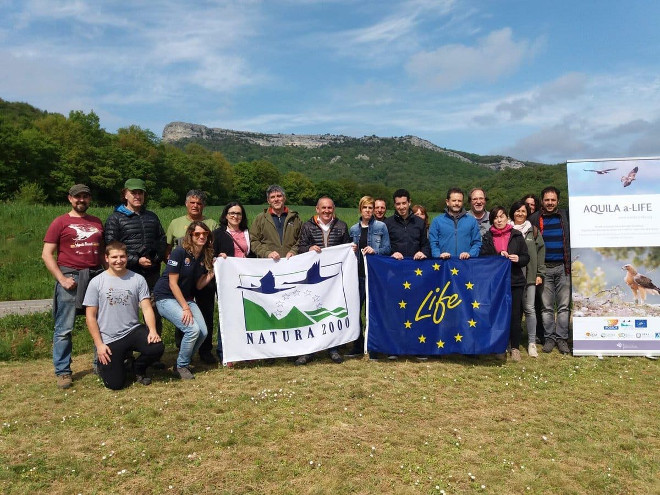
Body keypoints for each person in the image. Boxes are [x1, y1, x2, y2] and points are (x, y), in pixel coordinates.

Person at [42, 184, 104, 389]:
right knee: (64, 329)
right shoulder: (60, 222)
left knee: (100, 324)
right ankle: (63, 371)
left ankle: (100, 364)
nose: (82, 200)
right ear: (70, 198)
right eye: (78, 197)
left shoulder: (96, 222)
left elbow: (103, 252)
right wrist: (61, 278)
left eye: (86, 197)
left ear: (90, 199)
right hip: (71, 276)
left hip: (95, 276)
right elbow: (46, 254)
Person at [84, 242, 164, 390]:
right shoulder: (96, 282)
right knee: (115, 385)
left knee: (156, 347)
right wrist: (99, 345)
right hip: (110, 337)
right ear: (106, 258)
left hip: (132, 330)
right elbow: (90, 316)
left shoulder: (138, 279)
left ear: (127, 257)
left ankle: (138, 368)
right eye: (114, 257)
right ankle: (120, 363)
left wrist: (152, 330)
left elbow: (146, 308)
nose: (119, 260)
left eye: (122, 256)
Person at [104, 179, 167, 340]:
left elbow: (162, 239)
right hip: (127, 273)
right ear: (125, 194)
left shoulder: (152, 217)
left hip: (151, 273)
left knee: (154, 312)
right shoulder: (115, 219)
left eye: (141, 193)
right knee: (126, 314)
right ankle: (126, 356)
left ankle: (153, 353)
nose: (137, 196)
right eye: (134, 192)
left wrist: (155, 258)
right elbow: (111, 246)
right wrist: (135, 260)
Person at [154, 221, 215, 380]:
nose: (201, 236)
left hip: (186, 298)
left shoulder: (204, 255)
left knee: (203, 332)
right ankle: (181, 366)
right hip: (166, 296)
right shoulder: (179, 252)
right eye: (197, 234)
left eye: (205, 234)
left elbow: (199, 285)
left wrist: (213, 271)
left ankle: (183, 361)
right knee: (192, 330)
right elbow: (172, 283)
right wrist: (185, 308)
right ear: (191, 235)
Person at [294, 197, 352, 365]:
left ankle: (333, 348)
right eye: (323, 208)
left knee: (331, 310)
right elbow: (300, 247)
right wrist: (309, 248)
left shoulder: (341, 226)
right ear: (317, 209)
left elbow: (346, 246)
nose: (327, 211)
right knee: (311, 310)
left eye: (330, 208)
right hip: (314, 278)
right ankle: (309, 350)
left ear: (333, 209)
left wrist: (350, 248)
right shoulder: (307, 226)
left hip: (333, 278)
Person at [165, 190, 219, 364]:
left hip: (204, 273)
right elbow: (168, 249)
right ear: (186, 204)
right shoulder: (175, 223)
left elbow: (214, 247)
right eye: (192, 202)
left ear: (203, 206)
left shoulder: (212, 223)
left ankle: (205, 350)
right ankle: (182, 347)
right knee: (183, 314)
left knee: (206, 312)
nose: (196, 206)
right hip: (184, 276)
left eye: (199, 203)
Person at [480, 207, 530, 361]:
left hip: (515, 281)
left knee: (515, 316)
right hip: (496, 283)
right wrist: (497, 256)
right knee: (496, 315)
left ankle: (514, 347)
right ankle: (499, 347)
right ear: (492, 220)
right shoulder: (488, 237)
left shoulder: (516, 235)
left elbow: (526, 257)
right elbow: (483, 257)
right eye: (496, 218)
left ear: (507, 218)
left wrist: (518, 259)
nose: (499, 220)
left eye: (502, 217)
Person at [346, 196, 391, 358]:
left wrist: (375, 251)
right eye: (365, 208)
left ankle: (374, 346)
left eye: (370, 208)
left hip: (374, 275)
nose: (368, 211)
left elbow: (387, 249)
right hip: (357, 275)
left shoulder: (381, 226)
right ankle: (358, 344)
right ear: (360, 209)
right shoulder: (353, 229)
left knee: (372, 311)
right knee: (356, 309)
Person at [530, 186, 571, 355]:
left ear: (558, 201)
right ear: (542, 201)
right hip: (544, 269)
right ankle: (549, 338)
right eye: (547, 200)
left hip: (563, 267)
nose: (550, 203)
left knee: (563, 306)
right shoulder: (534, 219)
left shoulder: (566, 217)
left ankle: (562, 338)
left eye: (553, 200)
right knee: (546, 307)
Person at [213, 201, 253, 363]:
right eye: (232, 213)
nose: (235, 216)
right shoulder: (218, 234)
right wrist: (218, 259)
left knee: (246, 315)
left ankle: (247, 351)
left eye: (238, 213)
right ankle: (225, 352)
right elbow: (211, 255)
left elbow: (253, 254)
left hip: (246, 279)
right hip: (227, 281)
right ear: (226, 216)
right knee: (227, 315)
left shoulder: (248, 233)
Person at [510, 200, 545, 358]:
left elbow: (540, 253)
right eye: (517, 211)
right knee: (514, 311)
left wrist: (539, 273)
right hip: (512, 278)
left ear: (527, 213)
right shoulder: (507, 230)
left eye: (523, 211)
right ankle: (512, 342)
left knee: (530, 309)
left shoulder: (534, 231)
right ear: (512, 213)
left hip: (530, 277)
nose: (520, 214)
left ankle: (531, 342)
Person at [250, 185, 301, 260]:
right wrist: (267, 253)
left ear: (284, 198)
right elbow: (253, 241)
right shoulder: (260, 218)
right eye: (272, 197)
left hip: (291, 263)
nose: (276, 199)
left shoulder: (295, 218)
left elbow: (302, 239)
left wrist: (294, 251)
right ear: (268, 201)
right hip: (268, 264)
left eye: (279, 196)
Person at [429, 187, 481, 259]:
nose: (457, 203)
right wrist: (438, 255)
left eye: (459, 201)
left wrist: (470, 254)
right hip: (444, 263)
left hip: (466, 263)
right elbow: (433, 243)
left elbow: (477, 242)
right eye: (454, 200)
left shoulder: (472, 221)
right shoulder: (437, 221)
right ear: (447, 202)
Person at [385, 189, 430, 260]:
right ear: (394, 205)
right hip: (394, 265)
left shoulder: (420, 222)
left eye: (404, 203)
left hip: (415, 266)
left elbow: (425, 245)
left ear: (409, 202)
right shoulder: (387, 223)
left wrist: (423, 253)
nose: (401, 207)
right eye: (398, 204)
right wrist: (392, 253)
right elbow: (384, 247)